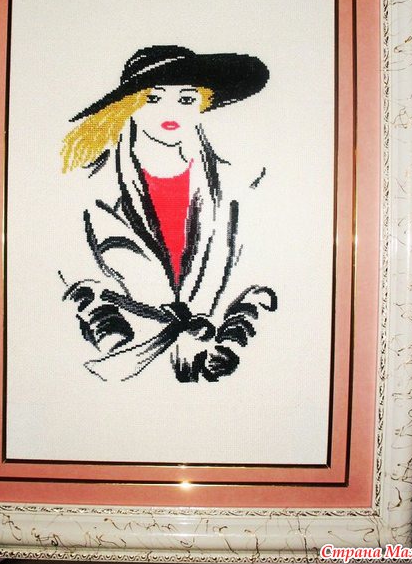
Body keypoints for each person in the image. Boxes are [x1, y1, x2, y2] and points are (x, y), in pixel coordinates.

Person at [60, 45, 277, 383]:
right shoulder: (93, 190)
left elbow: (256, 274)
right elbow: (74, 272)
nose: (170, 110)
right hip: (126, 365)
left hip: (216, 365)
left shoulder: (237, 187)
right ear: (128, 106)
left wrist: (232, 341)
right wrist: (110, 334)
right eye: (153, 98)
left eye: (186, 99)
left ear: (203, 104)